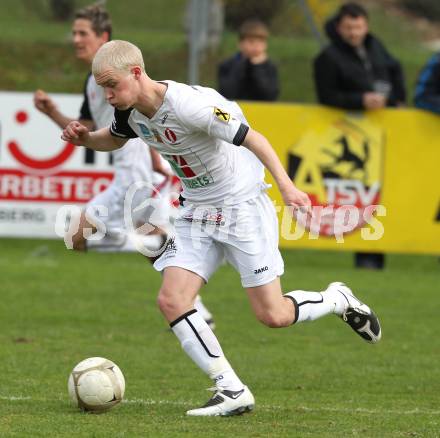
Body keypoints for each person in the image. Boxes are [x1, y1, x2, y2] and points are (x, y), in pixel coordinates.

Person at [62, 39, 382, 417]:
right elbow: (112, 139)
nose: (107, 94)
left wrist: (288, 187)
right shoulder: (130, 113)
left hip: (241, 208)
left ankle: (337, 299)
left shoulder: (190, 106)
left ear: (136, 72)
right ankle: (230, 388)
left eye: (111, 85)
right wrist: (86, 138)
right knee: (172, 300)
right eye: (102, 88)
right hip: (197, 211)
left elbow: (254, 139)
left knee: (273, 315)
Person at [34, 5, 215, 327]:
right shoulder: (94, 84)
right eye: (73, 32)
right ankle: (192, 297)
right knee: (135, 241)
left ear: (103, 37)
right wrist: (52, 114)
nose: (75, 39)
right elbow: (85, 131)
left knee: (83, 234)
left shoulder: (121, 76)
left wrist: (155, 159)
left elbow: (148, 119)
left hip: (138, 167)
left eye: (82, 33)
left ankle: (185, 260)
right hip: (128, 167)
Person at [313, 2, 406, 269]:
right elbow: (326, 96)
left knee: (383, 194)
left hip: (383, 135)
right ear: (339, 28)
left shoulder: (377, 48)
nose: (354, 32)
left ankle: (378, 253)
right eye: (349, 27)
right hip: (350, 136)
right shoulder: (328, 57)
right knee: (359, 197)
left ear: (366, 26)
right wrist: (360, 100)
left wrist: (396, 100)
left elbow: (395, 73)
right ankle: (364, 255)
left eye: (359, 27)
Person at [217, 19, 279, 101]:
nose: (256, 46)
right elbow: (227, 93)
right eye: (251, 42)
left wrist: (257, 67)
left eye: (260, 42)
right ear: (240, 44)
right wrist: (242, 65)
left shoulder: (269, 67)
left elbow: (270, 96)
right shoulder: (227, 65)